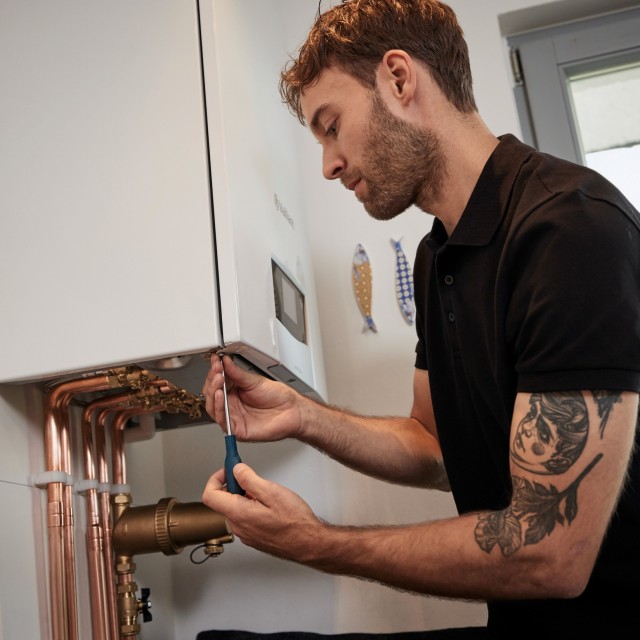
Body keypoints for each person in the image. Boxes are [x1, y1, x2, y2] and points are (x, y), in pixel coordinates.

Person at [202, 0, 640, 636]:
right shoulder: (439, 257)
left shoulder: (570, 229)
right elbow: (437, 448)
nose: (328, 164)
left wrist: (318, 542)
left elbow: (551, 553)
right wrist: (302, 418)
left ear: (399, 79)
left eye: (331, 126)